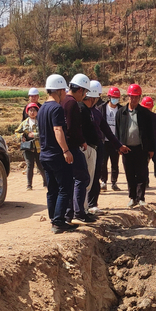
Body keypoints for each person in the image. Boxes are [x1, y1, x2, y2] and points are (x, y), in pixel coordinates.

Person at [37, 74, 77, 234]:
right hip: (56, 155)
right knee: (64, 188)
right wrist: (66, 150)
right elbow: (58, 129)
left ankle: (54, 218)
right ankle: (59, 221)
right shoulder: (56, 108)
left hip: (44, 155)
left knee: (52, 189)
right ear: (59, 90)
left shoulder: (41, 109)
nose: (65, 95)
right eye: (63, 91)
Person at [84, 80, 128, 213]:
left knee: (95, 176)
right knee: (86, 178)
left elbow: (107, 130)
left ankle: (91, 205)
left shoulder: (96, 112)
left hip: (97, 147)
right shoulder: (83, 110)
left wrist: (119, 145)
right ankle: (82, 208)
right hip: (85, 148)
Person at [117, 83, 156, 207]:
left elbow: (151, 133)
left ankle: (141, 198)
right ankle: (132, 197)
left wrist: (151, 149)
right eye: (131, 97)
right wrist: (118, 146)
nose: (133, 99)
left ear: (139, 98)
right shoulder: (121, 113)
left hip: (141, 149)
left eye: (136, 97)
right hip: (126, 149)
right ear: (128, 97)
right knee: (129, 174)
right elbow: (117, 131)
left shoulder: (145, 114)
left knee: (142, 174)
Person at [63, 73, 95, 224]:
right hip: (71, 147)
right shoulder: (72, 104)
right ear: (80, 89)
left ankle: (73, 212)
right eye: (85, 92)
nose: (85, 95)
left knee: (74, 179)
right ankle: (78, 212)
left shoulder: (64, 101)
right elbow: (72, 128)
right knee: (82, 177)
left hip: (66, 147)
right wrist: (82, 141)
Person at [16, 102, 45, 190]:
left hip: (39, 147)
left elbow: (44, 132)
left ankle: (46, 182)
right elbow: (17, 132)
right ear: (27, 112)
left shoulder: (41, 122)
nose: (32, 112)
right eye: (30, 110)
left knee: (41, 166)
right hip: (28, 148)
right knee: (29, 165)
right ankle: (29, 185)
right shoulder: (24, 123)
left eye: (34, 110)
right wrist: (21, 136)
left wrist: (35, 135)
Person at [99, 86, 123, 191]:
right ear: (109, 97)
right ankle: (103, 182)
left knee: (115, 163)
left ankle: (114, 183)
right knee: (103, 162)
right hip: (104, 141)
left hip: (115, 142)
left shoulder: (122, 110)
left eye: (117, 97)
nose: (115, 99)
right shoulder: (101, 108)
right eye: (113, 97)